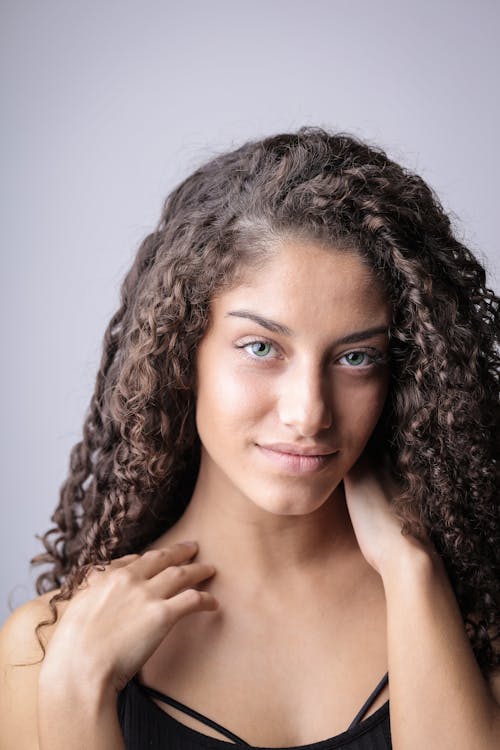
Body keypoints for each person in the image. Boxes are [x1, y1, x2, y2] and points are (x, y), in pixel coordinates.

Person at [0, 126, 499, 750]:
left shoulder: (474, 614)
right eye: (261, 348)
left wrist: (410, 570)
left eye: (355, 358)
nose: (308, 413)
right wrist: (75, 693)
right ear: (183, 354)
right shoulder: (44, 648)